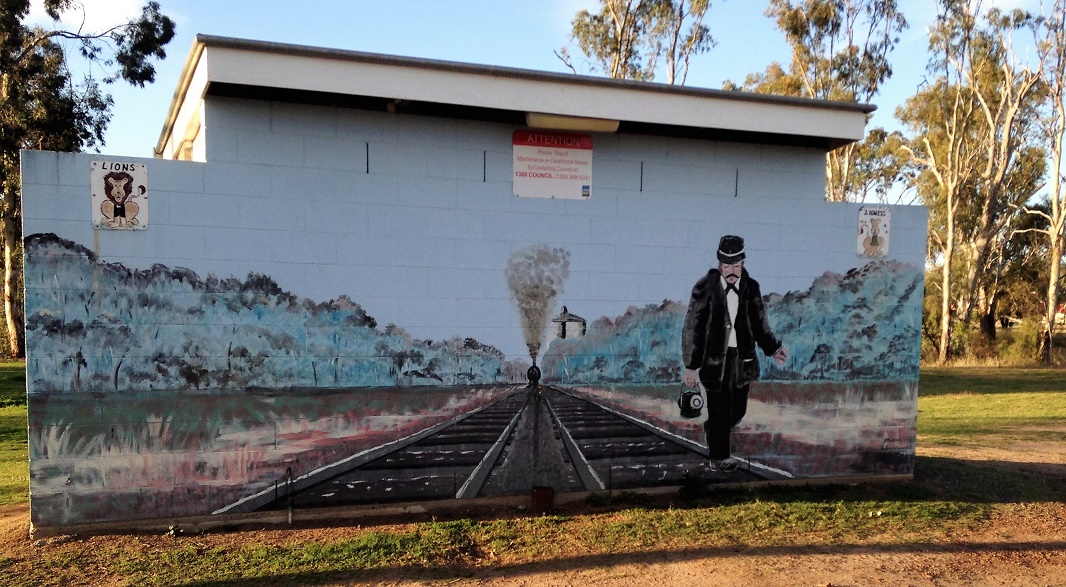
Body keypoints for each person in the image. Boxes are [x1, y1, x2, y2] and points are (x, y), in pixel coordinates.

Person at [681, 235, 788, 472]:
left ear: (743, 263)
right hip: (714, 362)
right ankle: (719, 457)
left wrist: (774, 349)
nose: (732, 271)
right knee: (719, 410)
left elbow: (760, 324)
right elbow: (692, 327)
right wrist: (691, 365)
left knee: (738, 411)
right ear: (719, 264)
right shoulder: (704, 287)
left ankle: (714, 430)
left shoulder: (751, 287)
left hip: (743, 361)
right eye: (727, 265)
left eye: (736, 265)